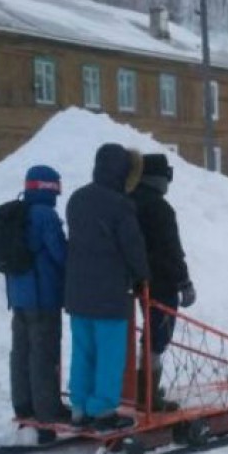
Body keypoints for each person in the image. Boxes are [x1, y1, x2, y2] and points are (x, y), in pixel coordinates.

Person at [65, 144, 150, 430]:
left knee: (83, 351)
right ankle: (102, 411)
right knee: (110, 354)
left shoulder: (77, 198)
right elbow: (133, 247)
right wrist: (142, 276)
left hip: (77, 291)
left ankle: (79, 407)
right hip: (110, 293)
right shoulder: (120, 204)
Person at [4, 166, 69, 442]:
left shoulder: (14, 213)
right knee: (44, 355)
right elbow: (60, 254)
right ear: (50, 188)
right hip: (43, 297)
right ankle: (47, 415)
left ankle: (24, 406)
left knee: (21, 352)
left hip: (18, 297)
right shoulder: (45, 216)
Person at [131, 154, 196, 411]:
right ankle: (147, 396)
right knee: (158, 335)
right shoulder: (159, 207)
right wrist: (184, 282)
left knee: (149, 333)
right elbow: (171, 249)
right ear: (159, 178)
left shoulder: (129, 201)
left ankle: (143, 389)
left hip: (138, 279)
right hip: (162, 281)